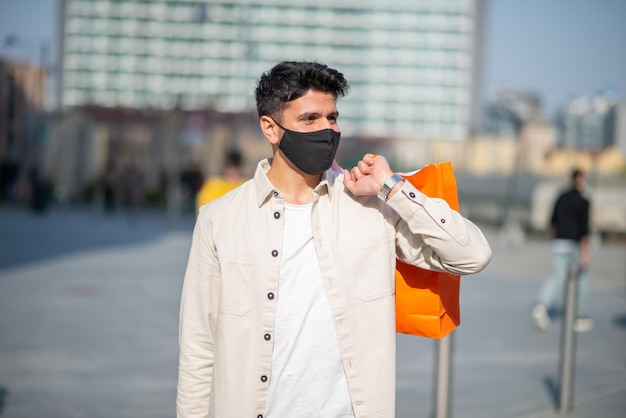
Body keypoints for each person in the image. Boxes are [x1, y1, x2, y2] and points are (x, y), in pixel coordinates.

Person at [177, 61, 492, 418]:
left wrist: (393, 188)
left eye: (333, 118)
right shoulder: (220, 219)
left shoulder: (372, 209)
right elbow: (198, 347)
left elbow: (472, 254)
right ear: (270, 128)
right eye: (310, 119)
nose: (327, 130)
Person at [532, 169, 592, 332]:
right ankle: (578, 316)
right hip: (574, 245)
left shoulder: (560, 197)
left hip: (558, 243)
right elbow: (584, 230)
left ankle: (542, 306)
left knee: (555, 277)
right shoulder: (583, 201)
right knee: (581, 279)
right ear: (580, 180)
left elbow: (552, 221)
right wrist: (586, 253)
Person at [195, 150, 246, 216]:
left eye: (235, 169)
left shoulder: (244, 185)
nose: (233, 173)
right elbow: (204, 209)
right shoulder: (213, 185)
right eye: (231, 169)